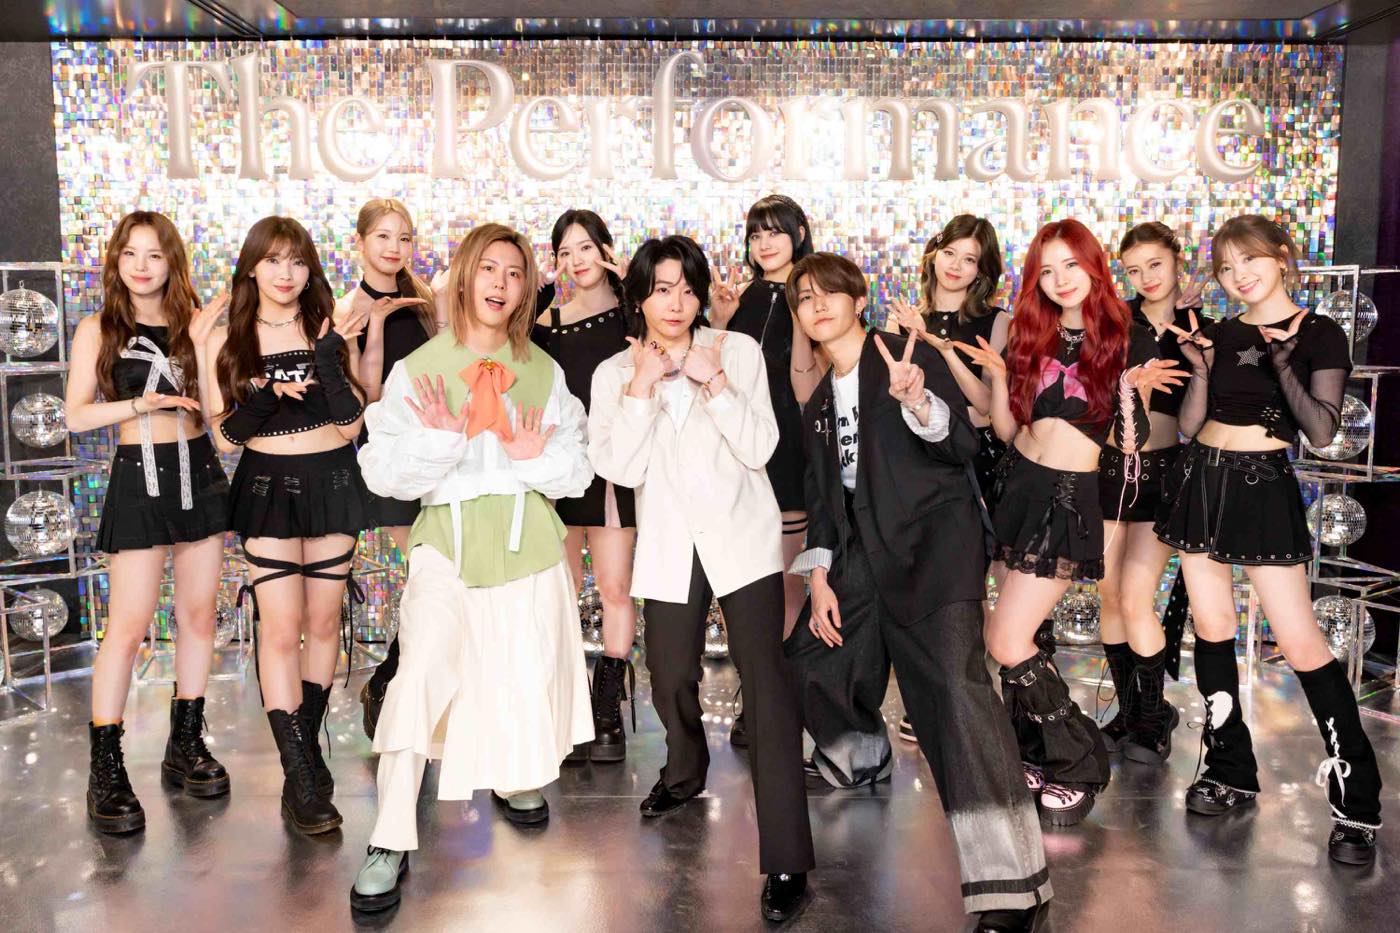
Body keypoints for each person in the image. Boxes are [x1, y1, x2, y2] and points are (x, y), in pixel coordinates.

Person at [784, 252, 1052, 933]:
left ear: (859, 298)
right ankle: (861, 754)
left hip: (935, 550)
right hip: (861, 557)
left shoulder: (906, 357)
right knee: (812, 660)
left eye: (828, 293)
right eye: (804, 298)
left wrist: (918, 402)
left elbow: (960, 444)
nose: (817, 305)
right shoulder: (818, 403)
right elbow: (823, 497)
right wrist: (820, 575)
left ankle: (1012, 887)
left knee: (956, 700)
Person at [349, 223, 594, 912]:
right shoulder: (419, 368)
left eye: (515, 273)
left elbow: (577, 468)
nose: (501, 284)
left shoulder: (544, 371)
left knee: (517, 670)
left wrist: (528, 455)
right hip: (447, 545)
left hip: (527, 545)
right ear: (464, 276)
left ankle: (514, 775)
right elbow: (382, 470)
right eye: (489, 268)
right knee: (420, 671)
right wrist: (440, 440)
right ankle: (389, 836)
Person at [588, 235, 815, 922]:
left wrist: (713, 381)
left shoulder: (736, 350)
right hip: (669, 544)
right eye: (662, 289)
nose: (677, 303)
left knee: (767, 688)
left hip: (742, 536)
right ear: (640, 296)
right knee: (669, 675)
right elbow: (619, 468)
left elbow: (761, 445)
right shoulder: (613, 372)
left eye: (687, 289)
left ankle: (786, 856)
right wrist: (641, 388)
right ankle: (684, 772)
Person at [1156, 214, 1382, 864]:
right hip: (1203, 480)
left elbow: (1321, 430)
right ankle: (1229, 769)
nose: (1239, 276)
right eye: (1226, 268)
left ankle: (1357, 803)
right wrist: (1200, 367)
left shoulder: (1320, 331)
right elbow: (1192, 423)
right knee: (1211, 626)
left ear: (1281, 256)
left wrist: (1283, 363)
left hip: (1262, 487)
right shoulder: (1221, 332)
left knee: (1300, 639)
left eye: (1248, 260)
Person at [958, 219, 1184, 826]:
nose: (1060, 280)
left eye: (1071, 265)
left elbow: (1129, 447)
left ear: (1093, 266)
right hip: (1015, 488)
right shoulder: (1031, 332)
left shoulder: (1127, 335)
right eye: (1047, 269)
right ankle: (1030, 751)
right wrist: (1001, 376)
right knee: (1017, 637)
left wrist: (1131, 391)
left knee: (1006, 640)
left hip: (1067, 496)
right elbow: (1008, 430)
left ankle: (1080, 760)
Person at [199, 215, 373, 835]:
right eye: (273, 260)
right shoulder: (229, 337)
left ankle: (305, 756)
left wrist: (329, 360)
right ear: (252, 267)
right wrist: (267, 395)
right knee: (279, 628)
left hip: (333, 481)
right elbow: (224, 438)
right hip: (266, 488)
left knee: (323, 623)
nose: (285, 273)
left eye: (297, 261)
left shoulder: (328, 324)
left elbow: (352, 427)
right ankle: (300, 774)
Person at [67, 211, 231, 833]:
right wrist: (141, 403)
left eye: (155, 255)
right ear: (116, 260)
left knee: (198, 614)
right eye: (131, 253)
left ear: (172, 263)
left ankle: (184, 742)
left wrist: (208, 345)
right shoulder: (98, 329)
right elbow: (76, 416)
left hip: (199, 472)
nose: (141, 265)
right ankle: (106, 768)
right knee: (129, 626)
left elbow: (215, 413)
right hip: (138, 476)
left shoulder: (196, 325)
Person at [885, 213, 1013, 745]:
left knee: (986, 588)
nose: (958, 266)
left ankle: (983, 700)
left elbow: (984, 406)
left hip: (983, 462)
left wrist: (941, 350)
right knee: (934, 584)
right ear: (934, 254)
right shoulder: (903, 318)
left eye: (971, 259)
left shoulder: (996, 322)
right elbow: (893, 400)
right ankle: (932, 698)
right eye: (951, 253)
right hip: (923, 463)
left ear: (983, 270)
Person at [709, 194, 824, 747]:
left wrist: (803, 309)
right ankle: (757, 688)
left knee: (785, 582)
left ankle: (775, 699)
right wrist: (720, 320)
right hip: (733, 449)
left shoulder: (818, 293)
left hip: (789, 449)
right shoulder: (742, 298)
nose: (764, 243)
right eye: (756, 235)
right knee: (745, 580)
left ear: (800, 232)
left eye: (775, 231)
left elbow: (808, 386)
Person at [1093, 221, 1204, 763]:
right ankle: (1131, 711)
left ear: (1178, 260)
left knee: (1137, 598)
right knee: (1108, 595)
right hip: (1108, 470)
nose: (1146, 277)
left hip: (1163, 472)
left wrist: (1183, 332)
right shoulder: (1115, 321)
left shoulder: (1200, 327)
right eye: (1134, 270)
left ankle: (1156, 715)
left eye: (1155, 264)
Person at [532, 209, 638, 763]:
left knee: (616, 588)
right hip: (561, 468)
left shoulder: (633, 314)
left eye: (586, 248)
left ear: (606, 249)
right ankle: (569, 711)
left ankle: (607, 710)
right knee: (562, 591)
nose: (576, 260)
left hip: (615, 467)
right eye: (565, 252)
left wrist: (633, 290)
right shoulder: (547, 321)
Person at [336, 197, 436, 740]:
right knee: (427, 570)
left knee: (438, 573)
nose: (395, 248)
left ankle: (399, 684)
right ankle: (388, 682)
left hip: (438, 451)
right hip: (388, 457)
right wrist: (370, 328)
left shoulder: (424, 300)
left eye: (404, 237)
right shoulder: (346, 310)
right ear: (360, 243)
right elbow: (363, 398)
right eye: (383, 236)